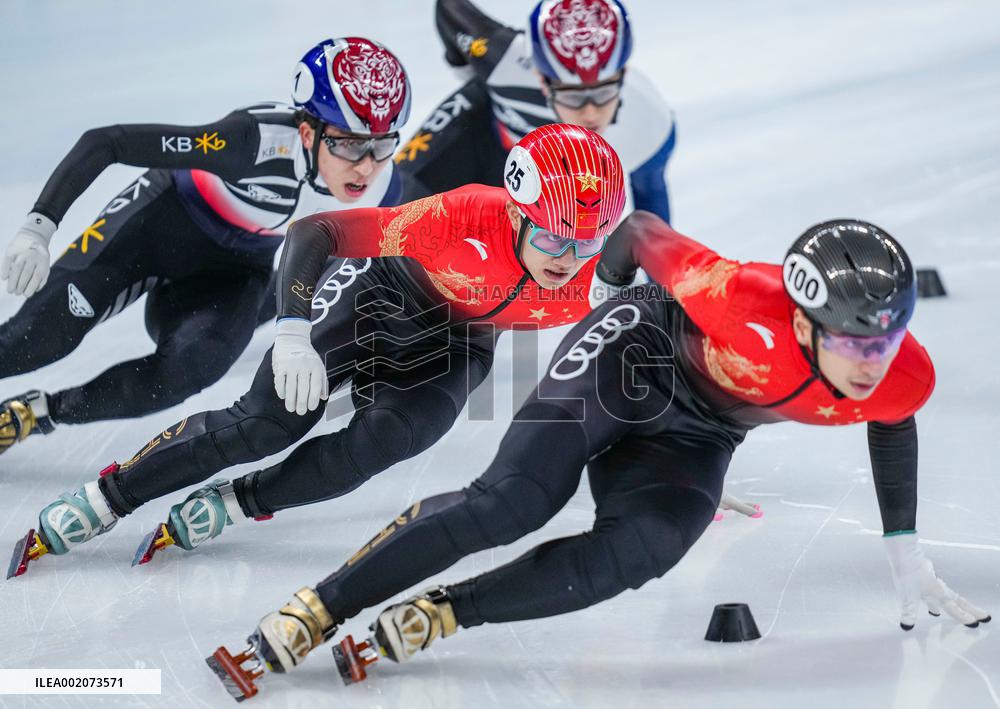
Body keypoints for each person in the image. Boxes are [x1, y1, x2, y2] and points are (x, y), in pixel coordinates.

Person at [206, 213, 989, 701]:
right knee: (513, 500)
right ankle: (319, 606)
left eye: (885, 340)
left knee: (646, 548)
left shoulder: (903, 372)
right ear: (806, 321)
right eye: (855, 343)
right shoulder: (737, 297)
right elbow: (639, 231)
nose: (871, 363)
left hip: (699, 433)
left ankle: (447, 610)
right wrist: (609, 303)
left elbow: (893, 421)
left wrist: (904, 549)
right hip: (632, 355)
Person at [7, 123, 628, 577]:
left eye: (587, 242)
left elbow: (659, 332)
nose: (568, 259)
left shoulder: (598, 280)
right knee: (266, 423)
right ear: (516, 215)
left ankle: (238, 503)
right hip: (378, 295)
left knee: (384, 443)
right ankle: (109, 496)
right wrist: (292, 331)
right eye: (553, 237)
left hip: (460, 344)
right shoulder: (459, 217)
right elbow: (317, 230)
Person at [0, 37, 411, 455]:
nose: (367, 166)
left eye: (382, 144)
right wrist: (39, 226)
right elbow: (107, 142)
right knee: (37, 340)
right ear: (308, 133)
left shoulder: (384, 189)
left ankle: (37, 412)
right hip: (153, 227)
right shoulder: (249, 142)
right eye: (350, 144)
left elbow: (337, 270)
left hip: (234, 270)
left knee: (194, 367)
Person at [396, 0, 675, 225]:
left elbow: (650, 219)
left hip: (543, 176)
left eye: (603, 93)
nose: (590, 112)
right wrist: (472, 76)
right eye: (572, 96)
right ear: (541, 79)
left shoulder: (650, 125)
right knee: (394, 207)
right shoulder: (504, 61)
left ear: (622, 75)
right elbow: (449, 10)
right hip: (481, 130)